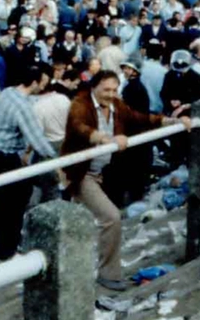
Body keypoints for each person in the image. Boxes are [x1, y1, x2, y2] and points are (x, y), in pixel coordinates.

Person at [63, 69, 172, 290]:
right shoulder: (80, 103)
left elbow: (139, 118)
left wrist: (169, 120)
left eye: (114, 89)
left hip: (103, 171)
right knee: (111, 217)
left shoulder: (116, 106)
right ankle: (108, 274)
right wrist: (105, 138)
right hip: (80, 173)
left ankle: (74, 266)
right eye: (106, 90)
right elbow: (79, 127)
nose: (110, 94)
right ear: (94, 87)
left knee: (84, 223)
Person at [0, 65, 59, 260]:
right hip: (3, 157)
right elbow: (37, 140)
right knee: (13, 206)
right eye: (42, 84)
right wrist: (58, 160)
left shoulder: (8, 92)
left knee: (14, 195)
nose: (43, 87)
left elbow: (30, 97)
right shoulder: (22, 108)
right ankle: (6, 251)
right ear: (33, 83)